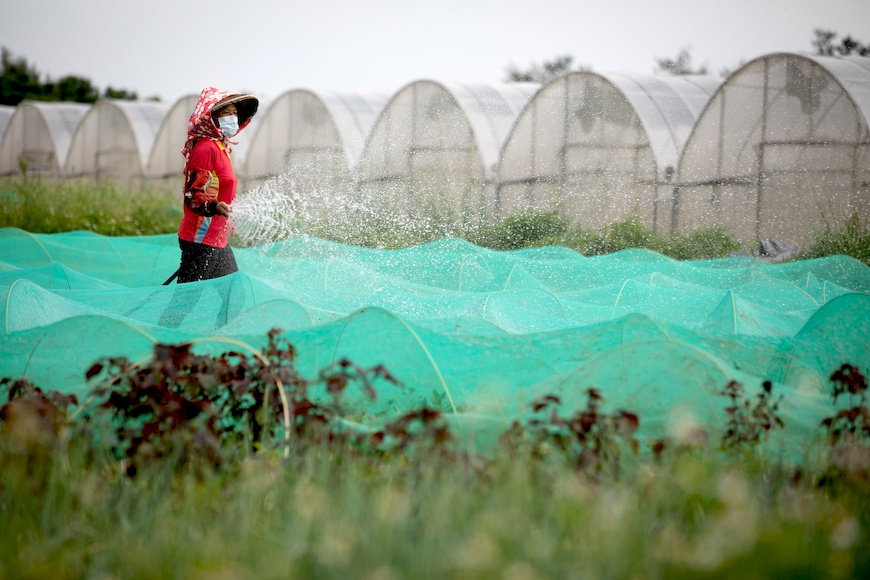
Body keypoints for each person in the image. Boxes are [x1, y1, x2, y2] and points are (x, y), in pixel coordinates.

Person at [174, 86, 259, 283]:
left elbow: (224, 188)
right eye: (226, 113)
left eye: (235, 113)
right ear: (213, 118)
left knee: (232, 293)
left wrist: (231, 218)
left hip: (217, 237)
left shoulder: (221, 147)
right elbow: (193, 195)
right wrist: (215, 206)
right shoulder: (205, 148)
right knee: (185, 302)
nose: (232, 117)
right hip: (200, 239)